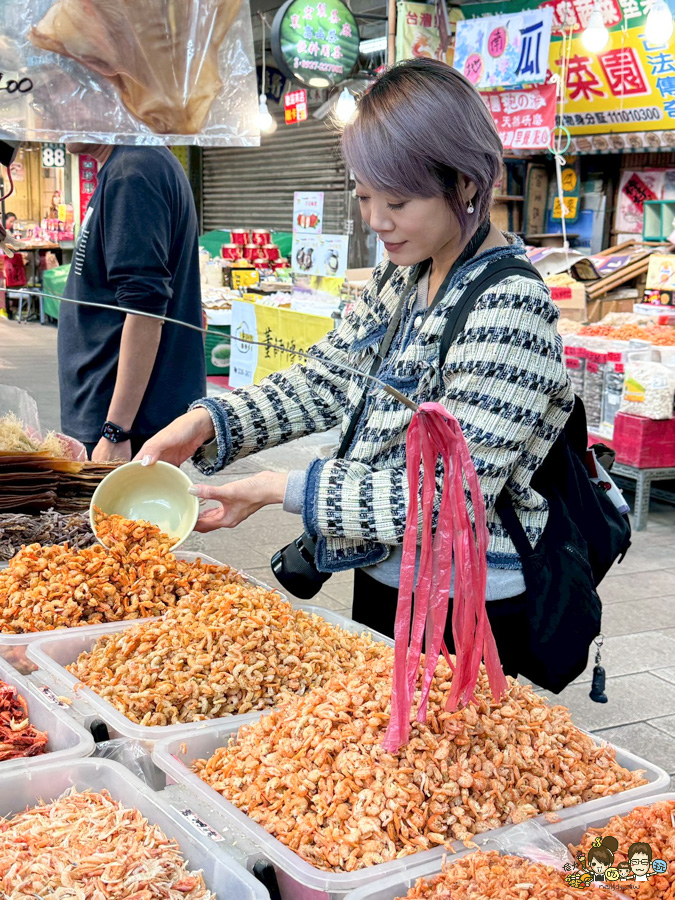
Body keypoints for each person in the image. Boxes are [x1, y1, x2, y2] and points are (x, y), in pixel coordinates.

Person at [138, 59, 573, 676]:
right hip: (381, 563)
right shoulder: (404, 274)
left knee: (440, 759)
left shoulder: (511, 308)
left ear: (468, 185)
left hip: (465, 599)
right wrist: (210, 423)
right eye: (364, 196)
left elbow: (450, 499)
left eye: (397, 200)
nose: (376, 221)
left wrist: (276, 488)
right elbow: (327, 377)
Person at [59, 144, 206, 462]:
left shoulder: (134, 170)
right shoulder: (128, 165)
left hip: (125, 425)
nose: (54, 110)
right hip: (113, 412)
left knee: (120, 514)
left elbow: (145, 310)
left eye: (67, 94)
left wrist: (115, 431)